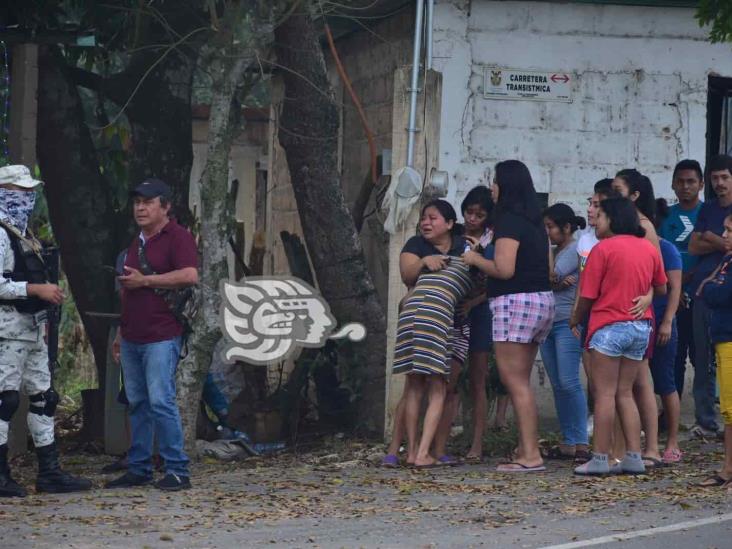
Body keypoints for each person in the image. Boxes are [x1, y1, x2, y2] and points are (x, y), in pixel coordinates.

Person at [0, 165, 92, 497]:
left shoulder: (24, 233)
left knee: (45, 398)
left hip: (32, 328)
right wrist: (36, 291)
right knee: (5, 400)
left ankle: (50, 472)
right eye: (20, 193)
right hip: (7, 329)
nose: (28, 199)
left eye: (30, 193)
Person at [106, 178, 198, 491]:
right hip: (133, 335)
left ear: (166, 206)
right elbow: (127, 292)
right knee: (137, 403)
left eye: (147, 202)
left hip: (161, 333)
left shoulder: (178, 236)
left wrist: (146, 281)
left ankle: (177, 470)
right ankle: (140, 468)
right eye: (137, 203)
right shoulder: (137, 242)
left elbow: (190, 275)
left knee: (161, 401)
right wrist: (120, 332)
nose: (140, 208)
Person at [463, 160, 554, 473]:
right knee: (522, 382)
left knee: (513, 381)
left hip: (515, 302)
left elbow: (504, 269)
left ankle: (530, 454)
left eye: (495, 181)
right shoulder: (534, 222)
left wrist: (474, 257)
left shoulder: (508, 221)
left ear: (506, 185)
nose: (492, 187)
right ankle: (526, 446)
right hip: (541, 300)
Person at [572, 197, 667, 476]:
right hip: (640, 328)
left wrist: (575, 319)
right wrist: (646, 296)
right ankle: (634, 456)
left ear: (612, 219)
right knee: (626, 393)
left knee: (603, 395)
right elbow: (661, 287)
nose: (596, 222)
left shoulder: (603, 250)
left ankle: (600, 458)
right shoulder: (648, 248)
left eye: (599, 217)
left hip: (608, 326)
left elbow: (587, 295)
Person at [392, 200, 473, 468]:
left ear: (450, 224)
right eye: (423, 218)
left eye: (432, 218)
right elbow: (406, 274)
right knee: (438, 387)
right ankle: (423, 453)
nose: (425, 223)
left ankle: (412, 451)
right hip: (436, 316)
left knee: (415, 385)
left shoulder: (463, 247)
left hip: (413, 313)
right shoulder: (420, 246)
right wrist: (425, 260)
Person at [433, 186, 498, 463]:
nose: (473, 218)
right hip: (454, 312)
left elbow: (497, 280)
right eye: (469, 212)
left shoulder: (495, 241)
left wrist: (475, 302)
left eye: (479, 214)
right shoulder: (455, 236)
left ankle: (477, 444)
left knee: (478, 379)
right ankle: (439, 443)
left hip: (480, 311)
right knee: (448, 380)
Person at [612, 169, 664, 468]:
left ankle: (652, 446)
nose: (612, 193)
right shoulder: (622, 225)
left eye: (618, 189)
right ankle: (628, 447)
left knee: (641, 380)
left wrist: (646, 298)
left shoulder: (644, 226)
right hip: (623, 309)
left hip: (638, 310)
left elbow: (654, 272)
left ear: (634, 195)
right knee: (628, 383)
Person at [539, 204, 589, 462]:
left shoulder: (573, 249)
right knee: (558, 384)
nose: (546, 232)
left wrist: (555, 279)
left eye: (550, 227)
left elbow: (550, 274)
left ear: (566, 227)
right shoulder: (558, 250)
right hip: (548, 322)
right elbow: (547, 279)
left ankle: (581, 441)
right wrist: (555, 281)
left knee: (569, 382)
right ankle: (569, 440)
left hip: (567, 322)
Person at [688, 154, 732, 438]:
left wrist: (709, 238)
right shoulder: (710, 209)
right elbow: (693, 245)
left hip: (726, 293)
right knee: (702, 357)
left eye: (725, 177)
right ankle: (706, 420)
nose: (719, 183)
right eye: (715, 178)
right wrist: (723, 241)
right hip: (704, 292)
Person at [658, 160, 704, 398]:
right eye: (681, 181)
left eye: (691, 181)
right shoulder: (664, 217)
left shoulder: (709, 214)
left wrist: (688, 280)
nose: (686, 186)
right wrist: (674, 286)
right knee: (673, 357)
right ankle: (668, 415)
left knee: (702, 358)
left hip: (702, 297)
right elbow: (656, 256)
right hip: (670, 297)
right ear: (673, 184)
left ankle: (707, 418)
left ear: (701, 184)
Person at [697, 213, 732, 487]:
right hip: (721, 337)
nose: (725, 236)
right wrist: (710, 287)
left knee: (731, 410)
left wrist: (710, 288)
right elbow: (707, 287)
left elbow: (718, 293)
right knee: (728, 409)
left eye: (730, 231)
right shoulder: (726, 260)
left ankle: (728, 469)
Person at [651, 200, 684, 463]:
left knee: (666, 383)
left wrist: (667, 321)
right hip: (641, 323)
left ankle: (672, 442)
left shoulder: (667, 249)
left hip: (662, 322)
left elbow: (675, 289)